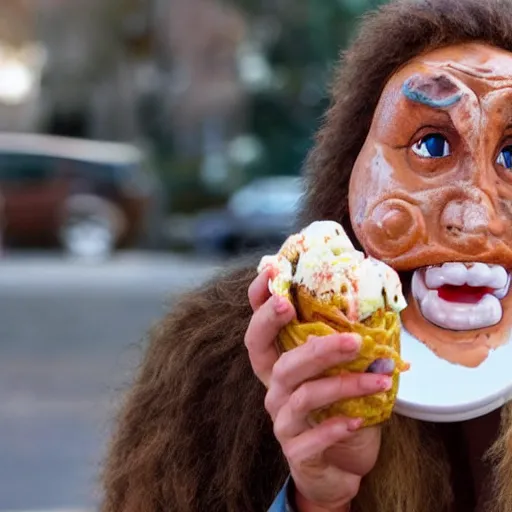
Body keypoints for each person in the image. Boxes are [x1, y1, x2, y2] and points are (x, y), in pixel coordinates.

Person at [100, 1, 512, 511]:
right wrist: (313, 500)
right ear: (351, 171)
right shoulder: (219, 376)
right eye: (430, 145)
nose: (473, 221)